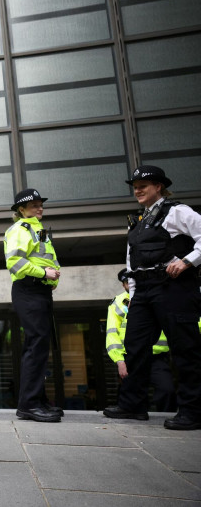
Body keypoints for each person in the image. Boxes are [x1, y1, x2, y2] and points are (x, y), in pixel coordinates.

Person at [104, 165, 201, 430]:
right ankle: (132, 405)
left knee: (185, 349)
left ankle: (193, 411)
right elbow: (131, 262)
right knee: (134, 347)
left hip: (174, 287)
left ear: (159, 186)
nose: (137, 189)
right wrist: (134, 295)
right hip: (144, 291)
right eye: (135, 186)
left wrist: (187, 261)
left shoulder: (177, 212)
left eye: (143, 185)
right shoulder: (137, 222)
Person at [4, 189, 62, 423]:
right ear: (21, 210)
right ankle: (28, 404)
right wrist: (43, 273)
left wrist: (52, 278)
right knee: (35, 345)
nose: (39, 208)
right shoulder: (20, 229)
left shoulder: (39, 231)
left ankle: (37, 400)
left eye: (40, 205)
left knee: (39, 346)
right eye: (34, 205)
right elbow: (15, 262)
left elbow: (50, 261)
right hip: (29, 289)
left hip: (40, 290)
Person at [104, 269, 175, 419]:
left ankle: (167, 417)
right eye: (127, 282)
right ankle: (135, 412)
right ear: (124, 285)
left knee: (166, 390)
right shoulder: (118, 302)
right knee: (130, 393)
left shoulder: (159, 298)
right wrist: (119, 360)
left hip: (156, 356)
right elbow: (112, 334)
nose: (130, 285)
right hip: (131, 356)